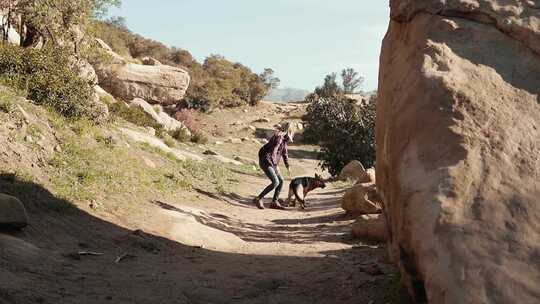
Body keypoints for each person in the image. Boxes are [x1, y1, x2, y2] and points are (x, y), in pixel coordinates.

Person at [253, 122, 294, 210]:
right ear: (288, 132)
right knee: (276, 182)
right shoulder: (279, 138)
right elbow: (273, 152)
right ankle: (258, 198)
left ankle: (274, 202)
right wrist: (275, 165)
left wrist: (288, 166)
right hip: (266, 161)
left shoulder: (284, 141)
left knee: (281, 181)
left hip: (270, 161)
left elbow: (285, 154)